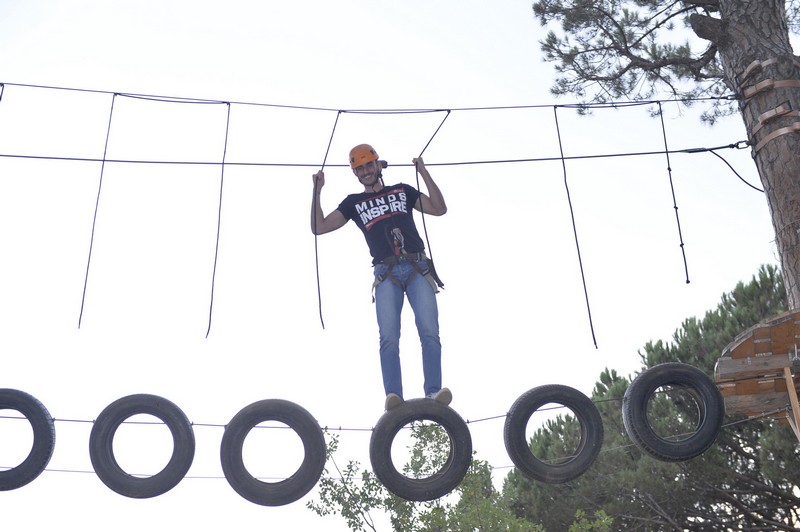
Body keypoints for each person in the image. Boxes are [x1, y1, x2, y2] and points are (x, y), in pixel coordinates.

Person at [310, 143, 451, 411]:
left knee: (430, 331)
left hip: (416, 266)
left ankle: (433, 391)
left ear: (378, 165)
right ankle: (394, 396)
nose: (365, 171)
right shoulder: (353, 203)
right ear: (355, 172)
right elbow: (319, 227)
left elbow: (439, 208)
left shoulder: (402, 191)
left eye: (369, 166)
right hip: (386, 274)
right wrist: (317, 191)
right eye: (359, 168)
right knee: (388, 337)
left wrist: (423, 172)